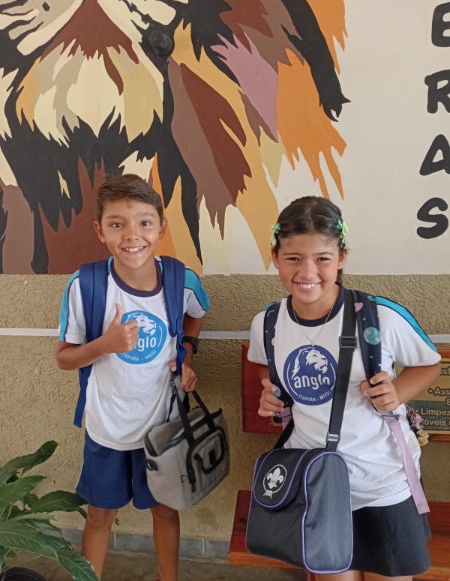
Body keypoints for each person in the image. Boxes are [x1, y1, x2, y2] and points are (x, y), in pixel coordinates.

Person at [248, 196, 441, 581]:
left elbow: (429, 364)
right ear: (275, 257)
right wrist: (271, 392)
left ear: (342, 257)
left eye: (322, 258)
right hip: (316, 483)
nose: (307, 271)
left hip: (382, 481)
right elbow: (262, 365)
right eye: (293, 258)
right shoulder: (267, 323)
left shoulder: (379, 317)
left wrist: (398, 391)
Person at [56, 174, 210, 581]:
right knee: (100, 515)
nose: (132, 235)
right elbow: (65, 358)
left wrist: (186, 354)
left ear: (162, 226)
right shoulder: (86, 286)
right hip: (106, 427)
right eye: (117, 223)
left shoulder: (180, 280)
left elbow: (196, 316)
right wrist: (104, 345)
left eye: (144, 222)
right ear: (100, 230)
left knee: (165, 509)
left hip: (162, 428)